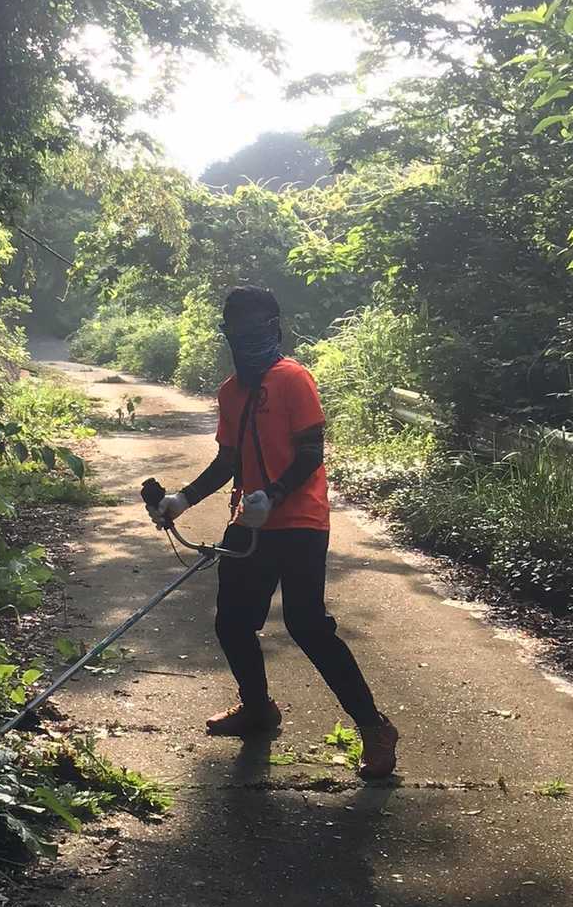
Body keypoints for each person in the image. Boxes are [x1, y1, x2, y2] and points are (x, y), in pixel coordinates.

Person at [150, 286, 398, 780]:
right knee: (232, 622)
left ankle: (375, 729)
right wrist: (182, 499)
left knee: (308, 627)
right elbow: (229, 459)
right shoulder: (231, 391)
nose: (246, 339)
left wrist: (275, 494)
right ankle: (258, 709)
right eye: (237, 331)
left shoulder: (293, 378)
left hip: (300, 522)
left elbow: (311, 452)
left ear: (274, 328)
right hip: (248, 524)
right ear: (228, 334)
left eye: (255, 329)